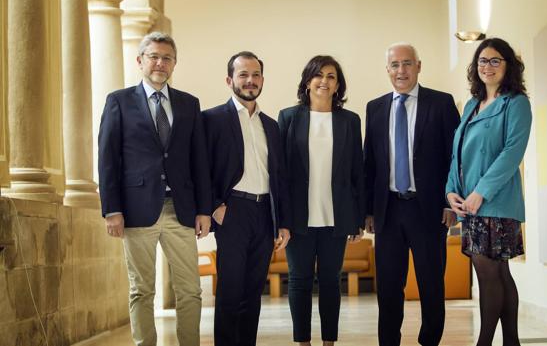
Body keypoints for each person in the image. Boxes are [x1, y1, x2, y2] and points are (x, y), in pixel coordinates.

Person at [98, 32, 212, 346]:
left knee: (190, 289)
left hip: (181, 210)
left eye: (167, 58)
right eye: (154, 56)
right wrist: (112, 209)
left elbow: (199, 161)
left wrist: (204, 209)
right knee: (141, 289)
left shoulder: (189, 104)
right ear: (140, 61)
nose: (160, 63)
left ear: (174, 63)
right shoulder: (118, 101)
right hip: (136, 211)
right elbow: (107, 159)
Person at [363, 42, 460, 346]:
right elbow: (370, 163)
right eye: (395, 65)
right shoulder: (375, 108)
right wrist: (368, 210)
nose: (401, 70)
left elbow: (455, 157)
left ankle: (429, 341)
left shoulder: (441, 103)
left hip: (429, 209)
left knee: (431, 284)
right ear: (387, 70)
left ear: (419, 66)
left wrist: (450, 200)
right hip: (388, 210)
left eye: (407, 63)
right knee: (389, 286)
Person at [445, 38, 531, 346]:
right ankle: (511, 341)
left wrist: (481, 192)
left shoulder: (516, 103)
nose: (488, 66)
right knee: (499, 274)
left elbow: (511, 153)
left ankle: (484, 342)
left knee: (489, 275)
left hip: (497, 203)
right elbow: (458, 154)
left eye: (495, 61)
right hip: (469, 205)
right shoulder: (470, 105)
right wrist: (450, 192)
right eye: (483, 61)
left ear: (508, 66)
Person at [203, 51, 292, 346]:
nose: (250, 81)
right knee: (230, 289)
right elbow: (200, 167)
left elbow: (279, 178)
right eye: (243, 75)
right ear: (230, 80)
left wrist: (283, 222)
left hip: (265, 212)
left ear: (262, 80)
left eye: (255, 75)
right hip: (233, 211)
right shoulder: (212, 119)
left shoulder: (271, 125)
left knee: (254, 291)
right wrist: (214, 206)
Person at [278, 55, 366, 346]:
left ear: (338, 84)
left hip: (335, 216)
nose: (324, 81)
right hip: (298, 218)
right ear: (307, 81)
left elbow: (357, 171)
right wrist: (281, 220)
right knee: (299, 281)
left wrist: (357, 216)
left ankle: (329, 341)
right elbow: (279, 173)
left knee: (330, 282)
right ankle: (302, 342)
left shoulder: (349, 121)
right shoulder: (289, 117)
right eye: (319, 75)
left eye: (331, 76)